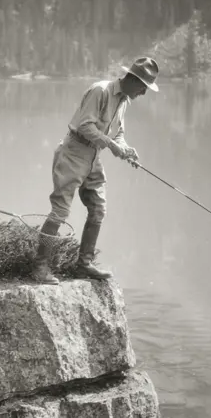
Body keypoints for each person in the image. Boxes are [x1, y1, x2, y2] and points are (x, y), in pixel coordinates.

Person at [32, 56, 159, 285]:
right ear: (132, 79)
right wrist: (111, 145)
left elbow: (117, 132)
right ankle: (40, 268)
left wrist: (125, 148)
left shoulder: (124, 100)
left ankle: (84, 265)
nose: (144, 93)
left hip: (93, 156)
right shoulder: (101, 91)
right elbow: (85, 126)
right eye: (144, 87)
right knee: (60, 211)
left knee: (98, 209)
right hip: (73, 152)